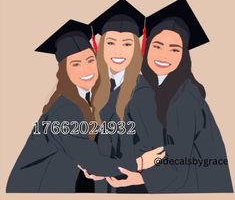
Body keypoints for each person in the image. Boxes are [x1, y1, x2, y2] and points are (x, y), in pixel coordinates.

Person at [6, 19, 159, 193]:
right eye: (76, 64)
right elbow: (94, 163)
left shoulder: (88, 99)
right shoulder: (65, 109)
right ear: (64, 71)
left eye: (89, 60)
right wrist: (140, 163)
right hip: (36, 188)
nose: (86, 69)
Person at [106, 0, 233, 193]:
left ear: (183, 56)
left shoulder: (185, 98)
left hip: (199, 187)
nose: (164, 56)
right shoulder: (146, 87)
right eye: (157, 46)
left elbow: (177, 162)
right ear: (146, 47)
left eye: (175, 49)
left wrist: (139, 176)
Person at [81, 0, 165, 193]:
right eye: (111, 42)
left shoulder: (143, 92)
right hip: (100, 187)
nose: (118, 51)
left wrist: (141, 175)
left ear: (137, 49)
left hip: (130, 186)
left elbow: (158, 151)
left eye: (127, 44)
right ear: (100, 47)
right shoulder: (93, 89)